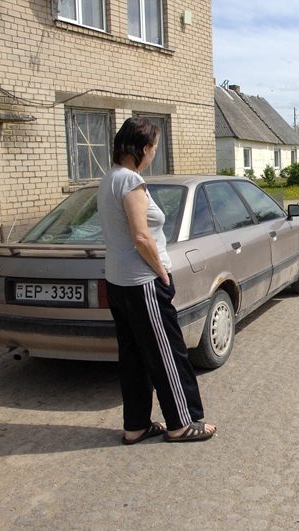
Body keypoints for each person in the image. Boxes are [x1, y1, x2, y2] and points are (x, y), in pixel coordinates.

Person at [98, 117, 216, 442]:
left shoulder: (109, 178)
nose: (153, 154)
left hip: (119, 282)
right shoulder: (131, 182)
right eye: (153, 148)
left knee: (134, 356)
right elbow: (140, 236)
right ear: (142, 148)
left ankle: (135, 425)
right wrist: (162, 274)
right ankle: (181, 423)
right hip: (142, 282)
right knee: (168, 353)